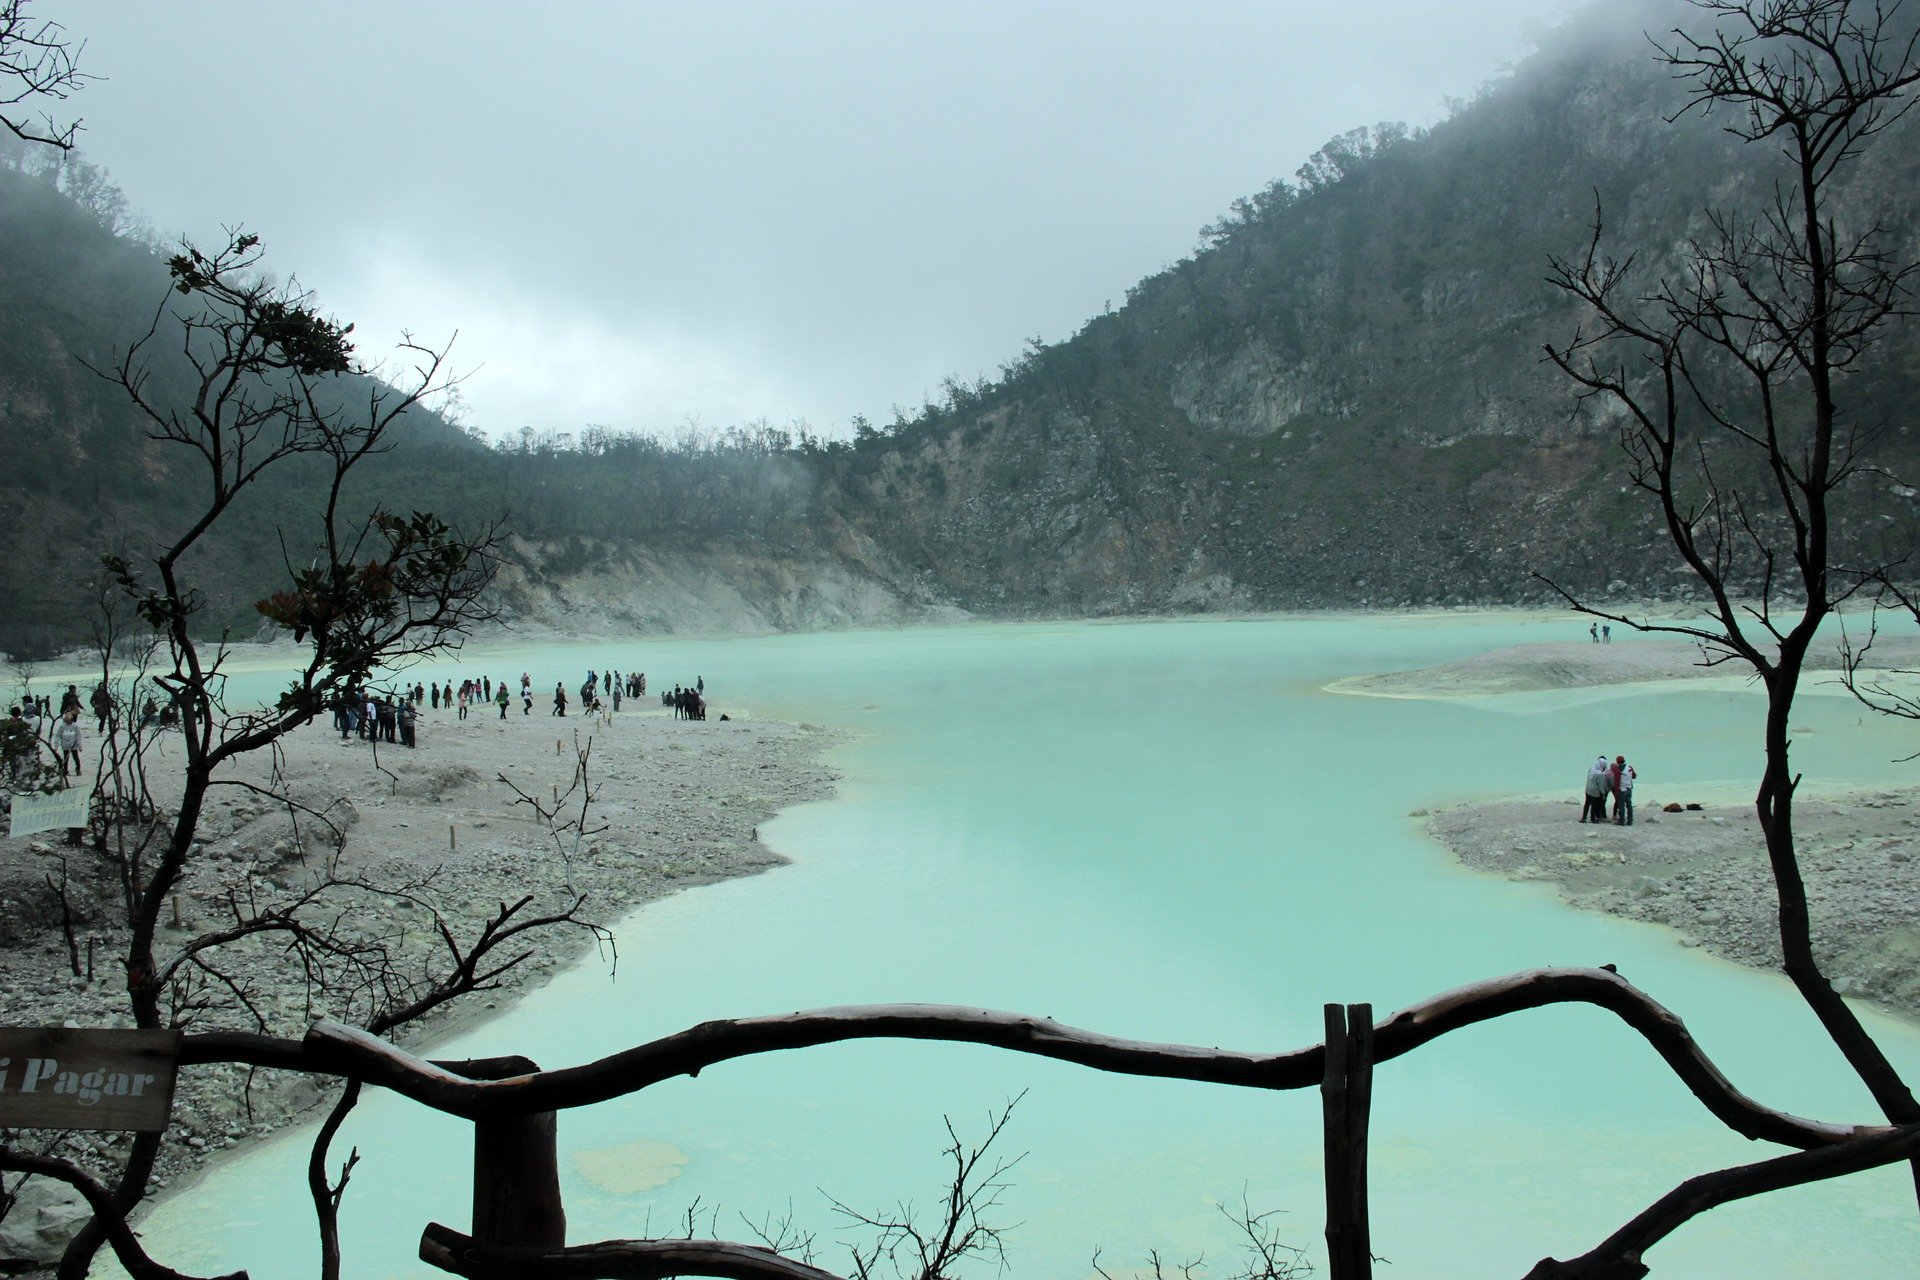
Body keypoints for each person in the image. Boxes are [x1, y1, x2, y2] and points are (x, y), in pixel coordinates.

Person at [51, 708, 83, 781]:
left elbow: (78, 736)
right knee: (66, 759)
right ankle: (65, 771)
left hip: (74, 745)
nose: (68, 721)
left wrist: (79, 745)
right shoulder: (62, 726)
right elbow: (58, 736)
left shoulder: (75, 726)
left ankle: (78, 769)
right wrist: (56, 745)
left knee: (76, 758)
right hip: (65, 745)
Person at [1582, 755, 1610, 823]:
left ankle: (1584, 818)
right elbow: (1600, 786)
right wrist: (1603, 793)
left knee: (1587, 804)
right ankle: (1592, 819)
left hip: (1588, 788)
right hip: (1594, 791)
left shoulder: (1592, 768)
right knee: (1594, 805)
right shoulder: (1600, 774)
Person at [1613, 755, 1636, 825]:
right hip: (1629, 788)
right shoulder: (1630, 767)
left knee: (1621, 805)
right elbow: (1634, 776)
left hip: (1622, 789)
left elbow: (1616, 780)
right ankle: (1630, 820)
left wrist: (1616, 791)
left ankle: (1622, 820)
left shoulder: (1617, 769)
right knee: (1629, 805)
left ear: (1617, 762)